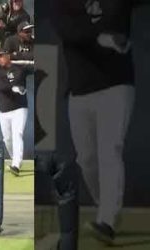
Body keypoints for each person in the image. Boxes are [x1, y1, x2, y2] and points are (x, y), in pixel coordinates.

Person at [52, 0, 134, 244]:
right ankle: (105, 208)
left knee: (110, 150)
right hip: (79, 90)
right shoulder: (62, 5)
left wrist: (99, 35)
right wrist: (104, 39)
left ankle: (107, 220)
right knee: (86, 159)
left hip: (116, 85)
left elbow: (111, 22)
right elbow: (69, 31)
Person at [0, 48, 29, 176]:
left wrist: (14, 85)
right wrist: (12, 86)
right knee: (7, 139)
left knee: (17, 134)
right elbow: (0, 85)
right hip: (4, 111)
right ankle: (15, 158)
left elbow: (19, 80)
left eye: (1, 55)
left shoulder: (18, 69)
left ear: (8, 55)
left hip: (19, 108)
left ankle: (16, 164)